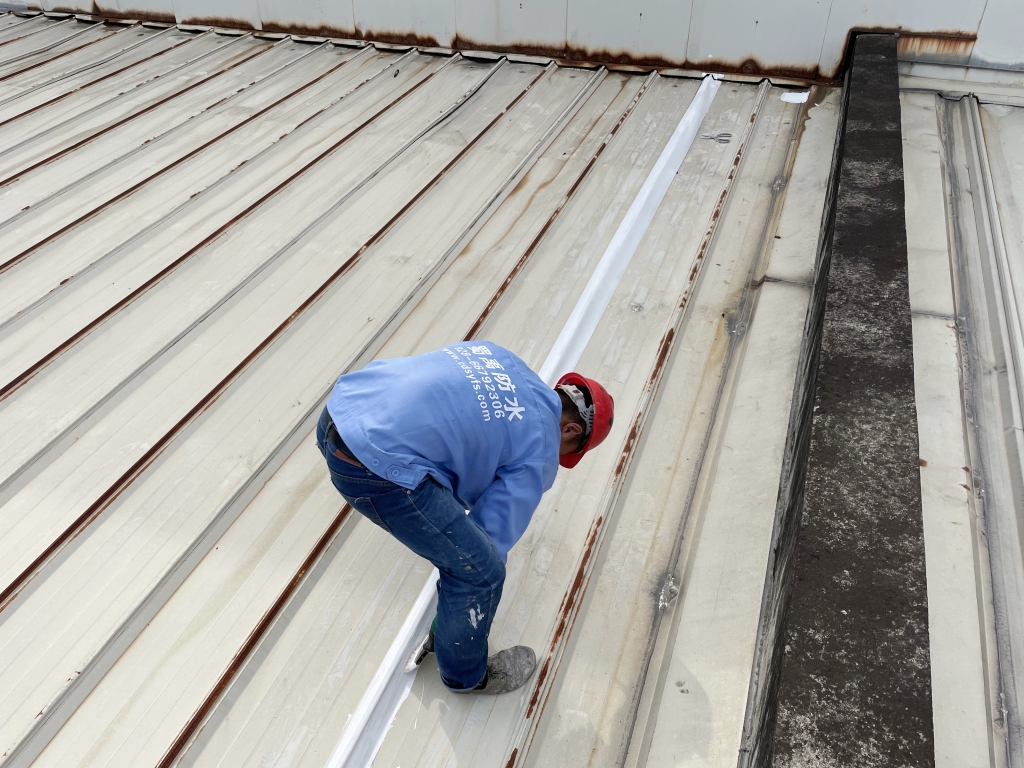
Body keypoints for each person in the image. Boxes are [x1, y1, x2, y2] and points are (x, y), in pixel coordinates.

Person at [316, 342, 614, 694]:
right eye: (567, 451)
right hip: (370, 467)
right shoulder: (541, 451)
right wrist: (454, 619)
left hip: (342, 409)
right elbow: (488, 541)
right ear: (570, 431)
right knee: (482, 574)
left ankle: (455, 643)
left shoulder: (502, 358)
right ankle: (466, 676)